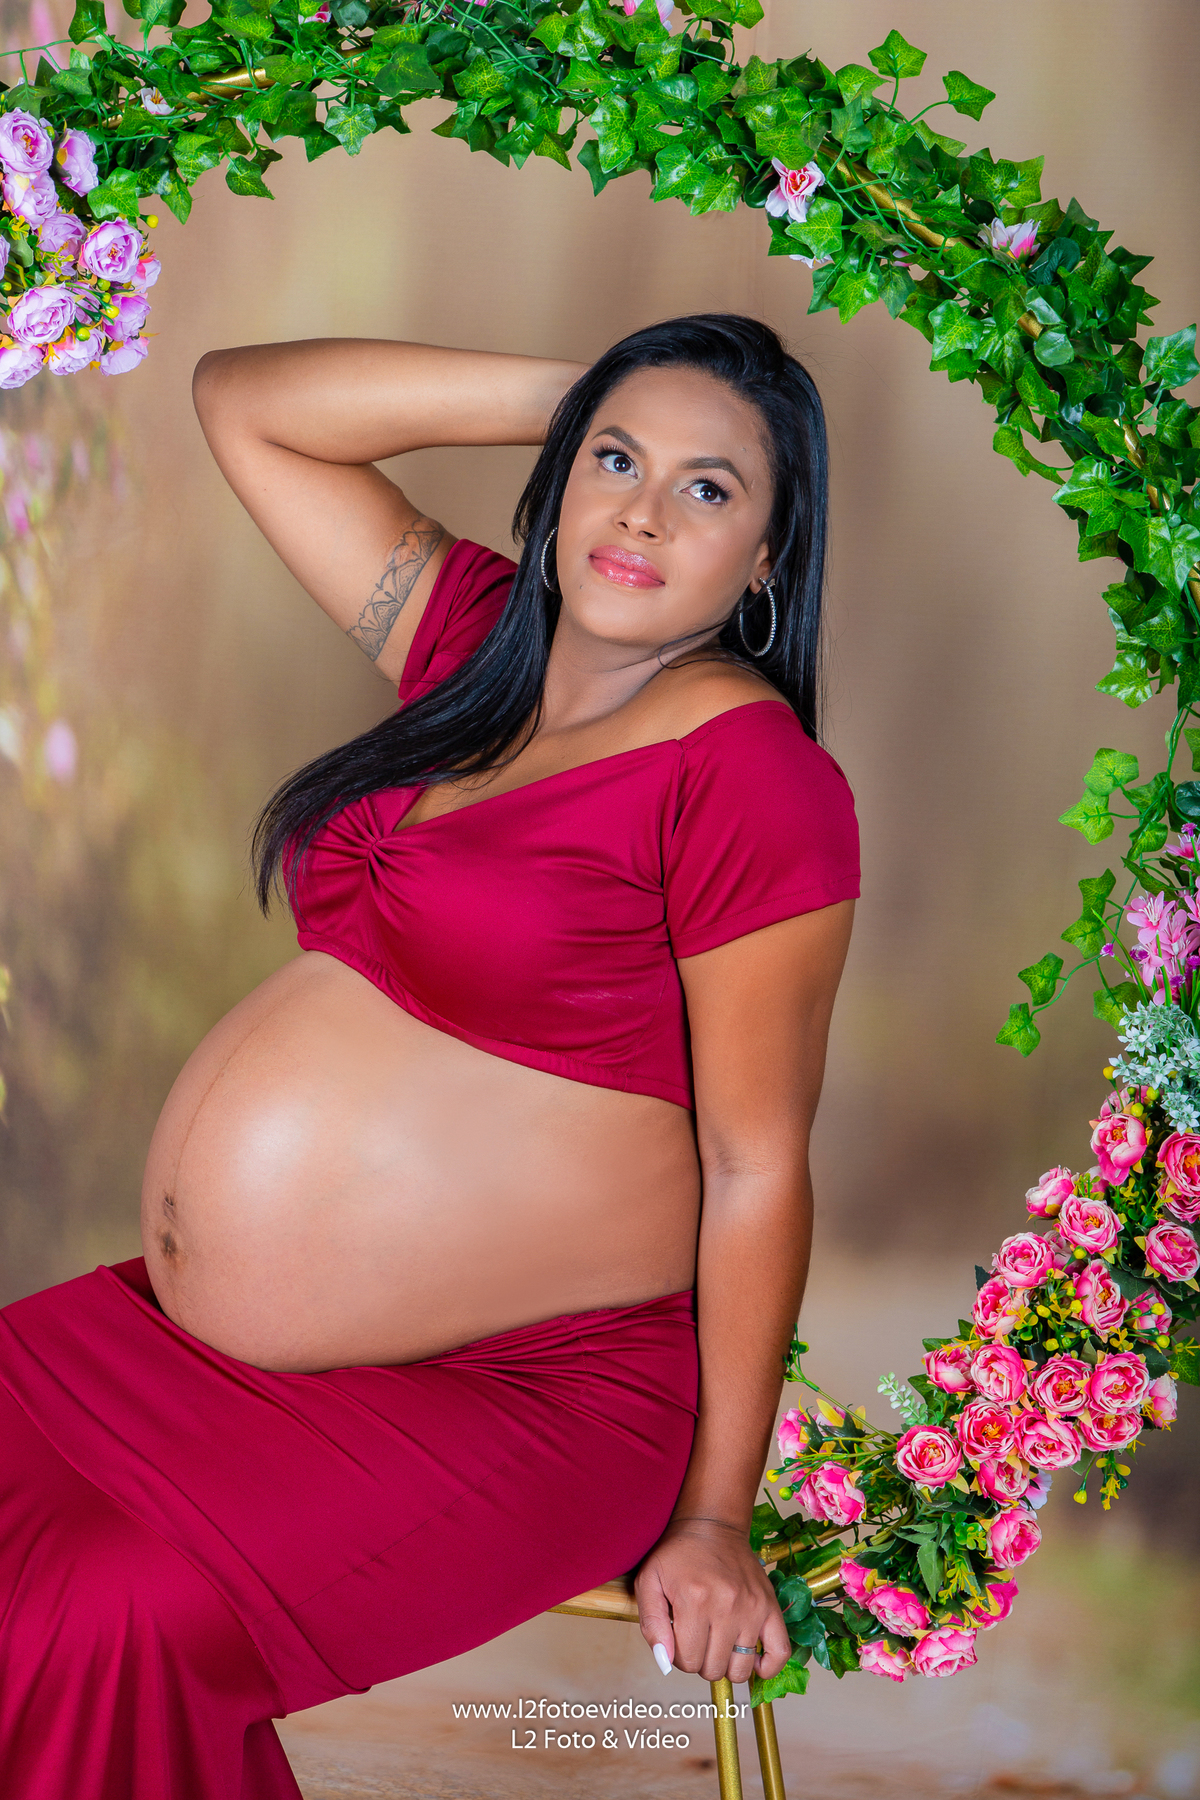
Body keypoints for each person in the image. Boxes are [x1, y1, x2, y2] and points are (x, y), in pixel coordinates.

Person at [0, 313, 858, 1798]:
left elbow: (754, 1162)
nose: (644, 514)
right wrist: (581, 395)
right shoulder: (472, 646)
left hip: (533, 1392)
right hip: (202, 1357)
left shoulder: (751, 776)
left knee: (106, 1611)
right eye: (615, 462)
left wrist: (718, 1516)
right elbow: (247, 402)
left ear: (769, 557)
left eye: (709, 489)